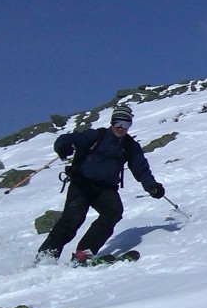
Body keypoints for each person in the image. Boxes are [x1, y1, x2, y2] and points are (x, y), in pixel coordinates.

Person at [37, 105, 165, 263]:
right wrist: (63, 147)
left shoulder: (129, 146)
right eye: (118, 123)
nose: (121, 128)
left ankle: (84, 253)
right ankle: (46, 255)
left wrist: (151, 186)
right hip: (82, 184)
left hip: (105, 189)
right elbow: (67, 140)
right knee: (73, 219)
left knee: (114, 212)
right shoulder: (97, 135)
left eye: (126, 125)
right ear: (112, 122)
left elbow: (141, 168)